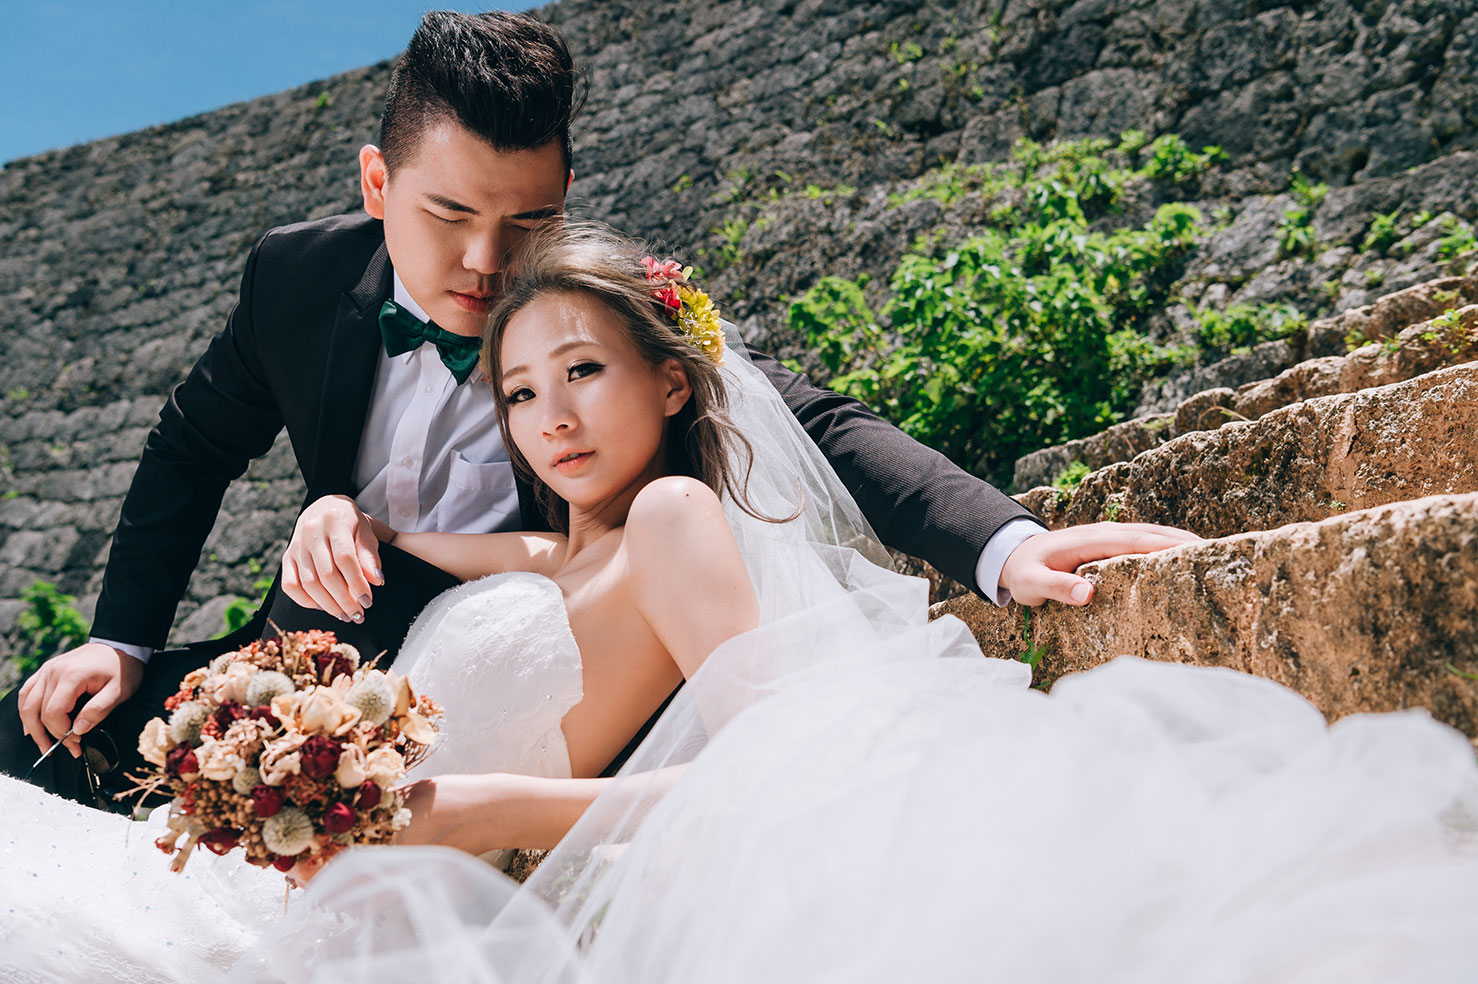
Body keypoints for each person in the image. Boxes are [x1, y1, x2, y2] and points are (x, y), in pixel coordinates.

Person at [2, 225, 1475, 983]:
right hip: (363, 886)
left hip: (440, 874)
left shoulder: (671, 515)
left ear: (671, 379)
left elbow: (768, 782)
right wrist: (340, 520)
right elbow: (417, 544)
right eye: (519, 391)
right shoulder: (547, 549)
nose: (550, 419)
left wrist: (468, 809)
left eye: (584, 371)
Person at [2, 8, 1196, 808]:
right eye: (445, 216)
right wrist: (121, 637)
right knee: (30, 737)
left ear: (564, 191)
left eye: (522, 221)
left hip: (535, 680)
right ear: (376, 184)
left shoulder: (592, 320)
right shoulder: (294, 278)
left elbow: (810, 419)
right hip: (310, 652)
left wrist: (1003, 542)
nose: (482, 261)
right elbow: (192, 447)